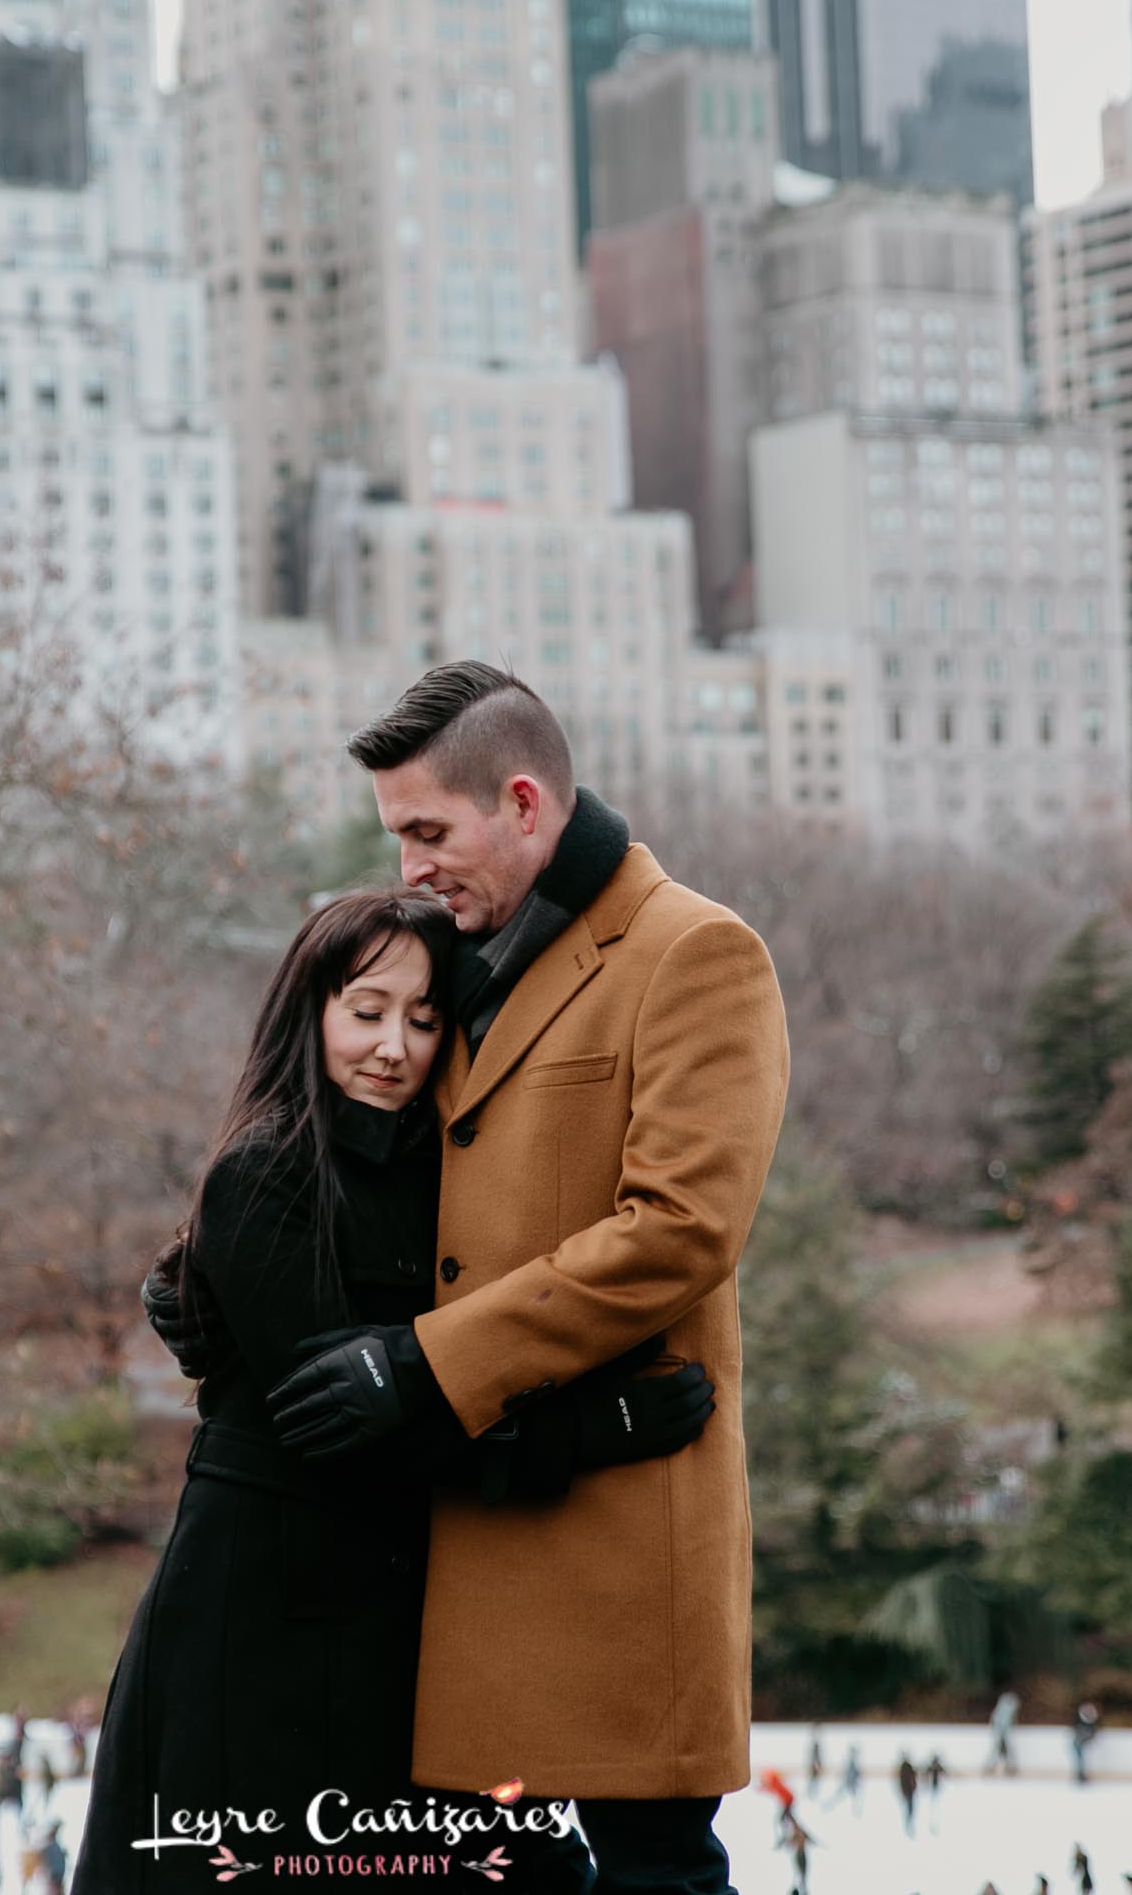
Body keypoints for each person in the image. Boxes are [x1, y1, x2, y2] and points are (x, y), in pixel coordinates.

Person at [254, 662, 792, 1894]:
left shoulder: (696, 953)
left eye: (429, 833)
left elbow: (681, 1230)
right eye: (397, 839)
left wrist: (427, 1367)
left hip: (615, 1545)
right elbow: (362, 1140)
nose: (411, 869)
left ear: (525, 803)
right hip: (466, 1527)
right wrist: (219, 1270)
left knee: (658, 1873)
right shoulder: (453, 958)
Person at [87, 889, 723, 1892]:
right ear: (311, 1010)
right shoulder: (264, 1175)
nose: (393, 1046)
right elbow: (348, 1428)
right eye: (366, 1009)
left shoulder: (456, 1182)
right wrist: (594, 1428)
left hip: (416, 1618)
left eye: (425, 1019)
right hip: (268, 1618)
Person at [988, 1690, 1021, 1777]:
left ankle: (1009, 1767)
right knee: (998, 1751)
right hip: (1001, 1734)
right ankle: (991, 1767)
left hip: (1003, 1734)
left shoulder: (1004, 1710)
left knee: (1004, 1751)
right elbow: (999, 1722)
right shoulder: (1004, 1710)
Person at [1070, 1702, 1100, 1785]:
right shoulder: (1078, 1719)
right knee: (1080, 1759)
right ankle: (1081, 1775)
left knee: (1083, 1759)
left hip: (1085, 1742)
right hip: (1078, 1743)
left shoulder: (1093, 1721)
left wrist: (1088, 1738)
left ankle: (1082, 1775)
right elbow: (1074, 1729)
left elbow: (1093, 1732)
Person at [894, 1753, 920, 1837]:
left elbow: (912, 1777)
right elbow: (905, 1780)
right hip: (908, 1792)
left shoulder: (906, 1766)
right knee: (909, 1810)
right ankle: (908, 1826)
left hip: (909, 1792)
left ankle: (908, 1825)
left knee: (910, 1810)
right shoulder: (905, 1767)